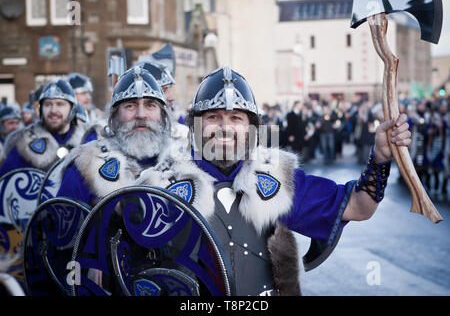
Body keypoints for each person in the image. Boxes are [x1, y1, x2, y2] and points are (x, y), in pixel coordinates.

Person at [136, 66, 412, 296]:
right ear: (195, 124)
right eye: (212, 117)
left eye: (236, 118)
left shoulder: (276, 179)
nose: (224, 127)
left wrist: (380, 157)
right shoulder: (163, 183)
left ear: (251, 128)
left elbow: (360, 206)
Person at [56, 66, 172, 206]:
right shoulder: (86, 165)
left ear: (162, 115)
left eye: (150, 105)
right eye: (130, 106)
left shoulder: (180, 163)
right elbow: (65, 224)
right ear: (115, 116)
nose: (141, 114)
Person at [0, 78, 96, 177]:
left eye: (60, 104)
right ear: (41, 109)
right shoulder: (22, 142)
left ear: (72, 109)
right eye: (48, 104)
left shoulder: (90, 138)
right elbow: (6, 184)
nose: (53, 110)